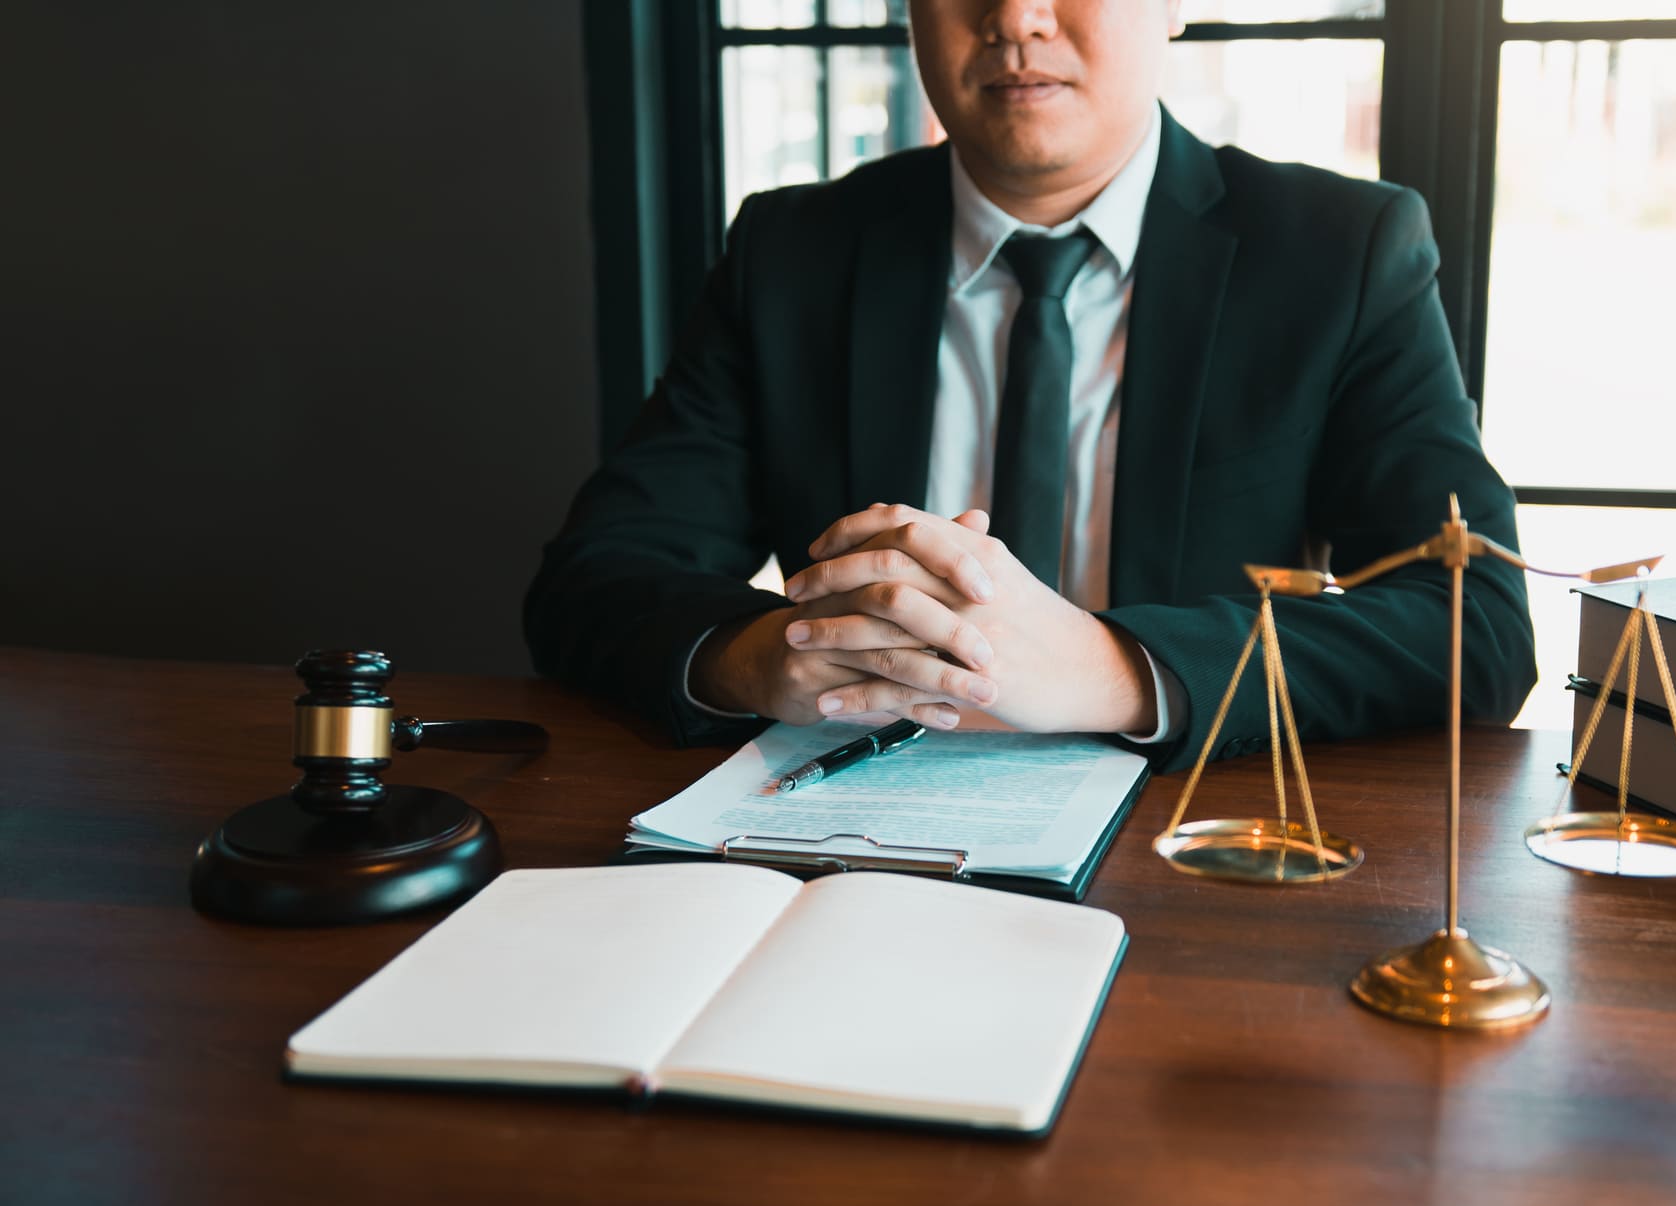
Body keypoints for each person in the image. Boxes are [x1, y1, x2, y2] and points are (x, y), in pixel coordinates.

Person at [524, 0, 1536, 774]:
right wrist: (751, 653)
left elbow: (1478, 623)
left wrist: (1114, 668)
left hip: (1189, 842)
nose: (1014, 20)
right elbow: (596, 575)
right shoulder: (793, 251)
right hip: (856, 837)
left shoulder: (1338, 254)